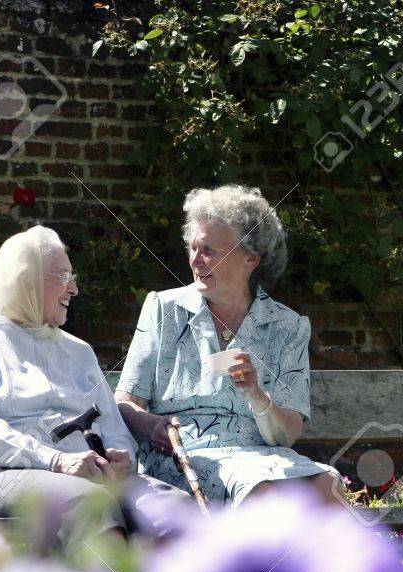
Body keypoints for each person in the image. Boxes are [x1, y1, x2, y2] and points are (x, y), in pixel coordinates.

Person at [0, 225, 189, 549]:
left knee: (174, 509)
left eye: (73, 277)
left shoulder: (79, 351)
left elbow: (115, 428)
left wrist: (121, 459)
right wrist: (56, 460)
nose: (74, 289)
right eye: (64, 276)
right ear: (27, 279)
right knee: (91, 503)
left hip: (87, 477)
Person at [114, 184, 344, 506]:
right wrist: (153, 425)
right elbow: (125, 401)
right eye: (193, 248)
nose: (196, 260)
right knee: (260, 491)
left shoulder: (287, 326)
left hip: (264, 458)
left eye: (208, 250)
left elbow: (286, 435)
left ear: (251, 258)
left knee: (327, 486)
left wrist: (256, 394)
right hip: (185, 457)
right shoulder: (164, 310)